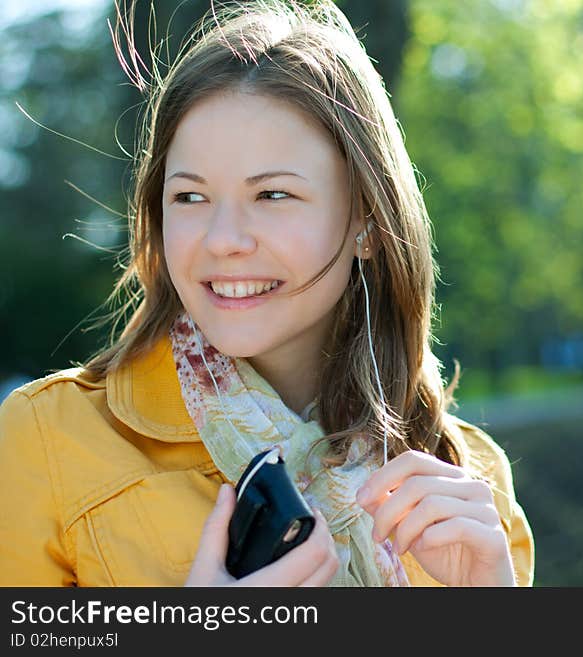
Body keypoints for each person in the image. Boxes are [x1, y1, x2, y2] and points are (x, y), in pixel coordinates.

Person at [0, 0, 533, 587]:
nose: (223, 240)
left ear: (368, 222)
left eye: (273, 195)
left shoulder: (466, 479)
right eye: (189, 197)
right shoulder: (49, 439)